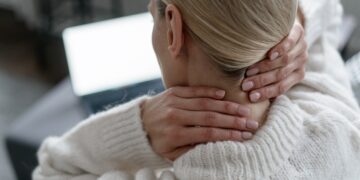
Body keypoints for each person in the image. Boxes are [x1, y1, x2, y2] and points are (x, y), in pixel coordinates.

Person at [33, 0, 360, 179]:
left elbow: (52, 167)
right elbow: (329, 11)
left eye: (154, 16)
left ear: (173, 27)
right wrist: (295, 23)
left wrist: (139, 129)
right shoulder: (338, 128)